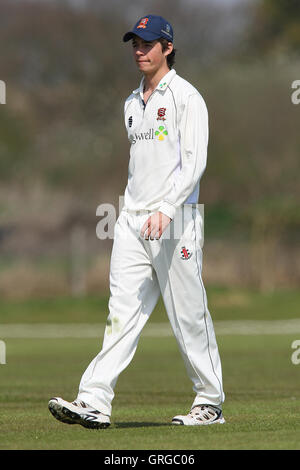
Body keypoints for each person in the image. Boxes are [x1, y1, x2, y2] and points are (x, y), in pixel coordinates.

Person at [48, 14, 225, 429]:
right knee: (120, 312)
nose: (139, 51)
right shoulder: (131, 103)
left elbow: (194, 163)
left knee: (187, 314)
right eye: (135, 44)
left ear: (168, 48)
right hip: (131, 221)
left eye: (148, 44)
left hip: (175, 219)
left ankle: (210, 402)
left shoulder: (186, 97)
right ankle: (93, 400)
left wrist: (166, 208)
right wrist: (134, 212)